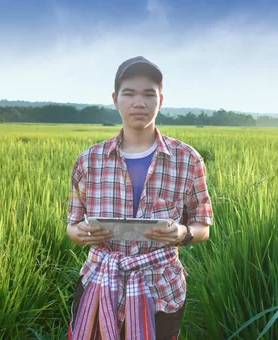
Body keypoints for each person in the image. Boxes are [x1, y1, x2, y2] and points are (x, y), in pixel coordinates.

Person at [66, 56, 214, 340]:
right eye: (129, 93)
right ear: (115, 99)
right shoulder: (89, 161)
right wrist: (81, 233)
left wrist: (182, 233)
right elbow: (72, 226)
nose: (139, 102)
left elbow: (202, 225)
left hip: (160, 285)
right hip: (100, 279)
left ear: (161, 99)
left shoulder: (187, 159)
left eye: (148, 94)